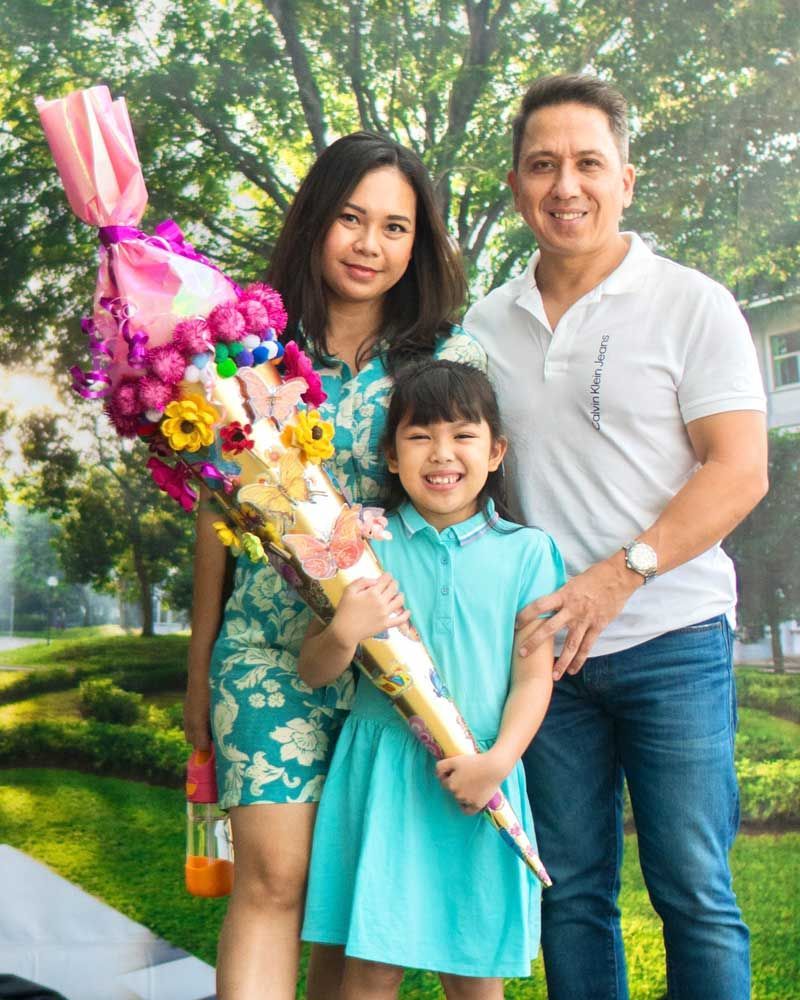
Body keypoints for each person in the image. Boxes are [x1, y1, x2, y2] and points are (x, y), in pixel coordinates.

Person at [464, 74, 768, 1000]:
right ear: (516, 186)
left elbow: (739, 469)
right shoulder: (483, 326)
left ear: (625, 179)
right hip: (547, 656)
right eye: (543, 166)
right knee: (570, 893)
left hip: (673, 639)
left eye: (588, 163)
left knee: (695, 894)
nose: (568, 186)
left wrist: (619, 575)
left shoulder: (691, 302)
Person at [183, 133, 484, 1000]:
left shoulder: (438, 359)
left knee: (351, 901)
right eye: (351, 219)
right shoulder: (256, 349)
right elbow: (222, 510)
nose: (369, 244)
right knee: (274, 880)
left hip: (389, 666)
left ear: (416, 244)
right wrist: (199, 663)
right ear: (318, 220)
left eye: (395, 228)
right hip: (267, 652)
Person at [299, 360, 566, 1000]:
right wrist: (345, 629)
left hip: (478, 772)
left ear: (496, 451)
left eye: (463, 435)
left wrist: (498, 761)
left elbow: (535, 678)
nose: (441, 454)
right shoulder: (363, 545)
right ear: (391, 456)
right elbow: (315, 671)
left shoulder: (529, 552)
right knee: (369, 967)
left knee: (475, 970)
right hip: (384, 774)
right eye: (420, 436)